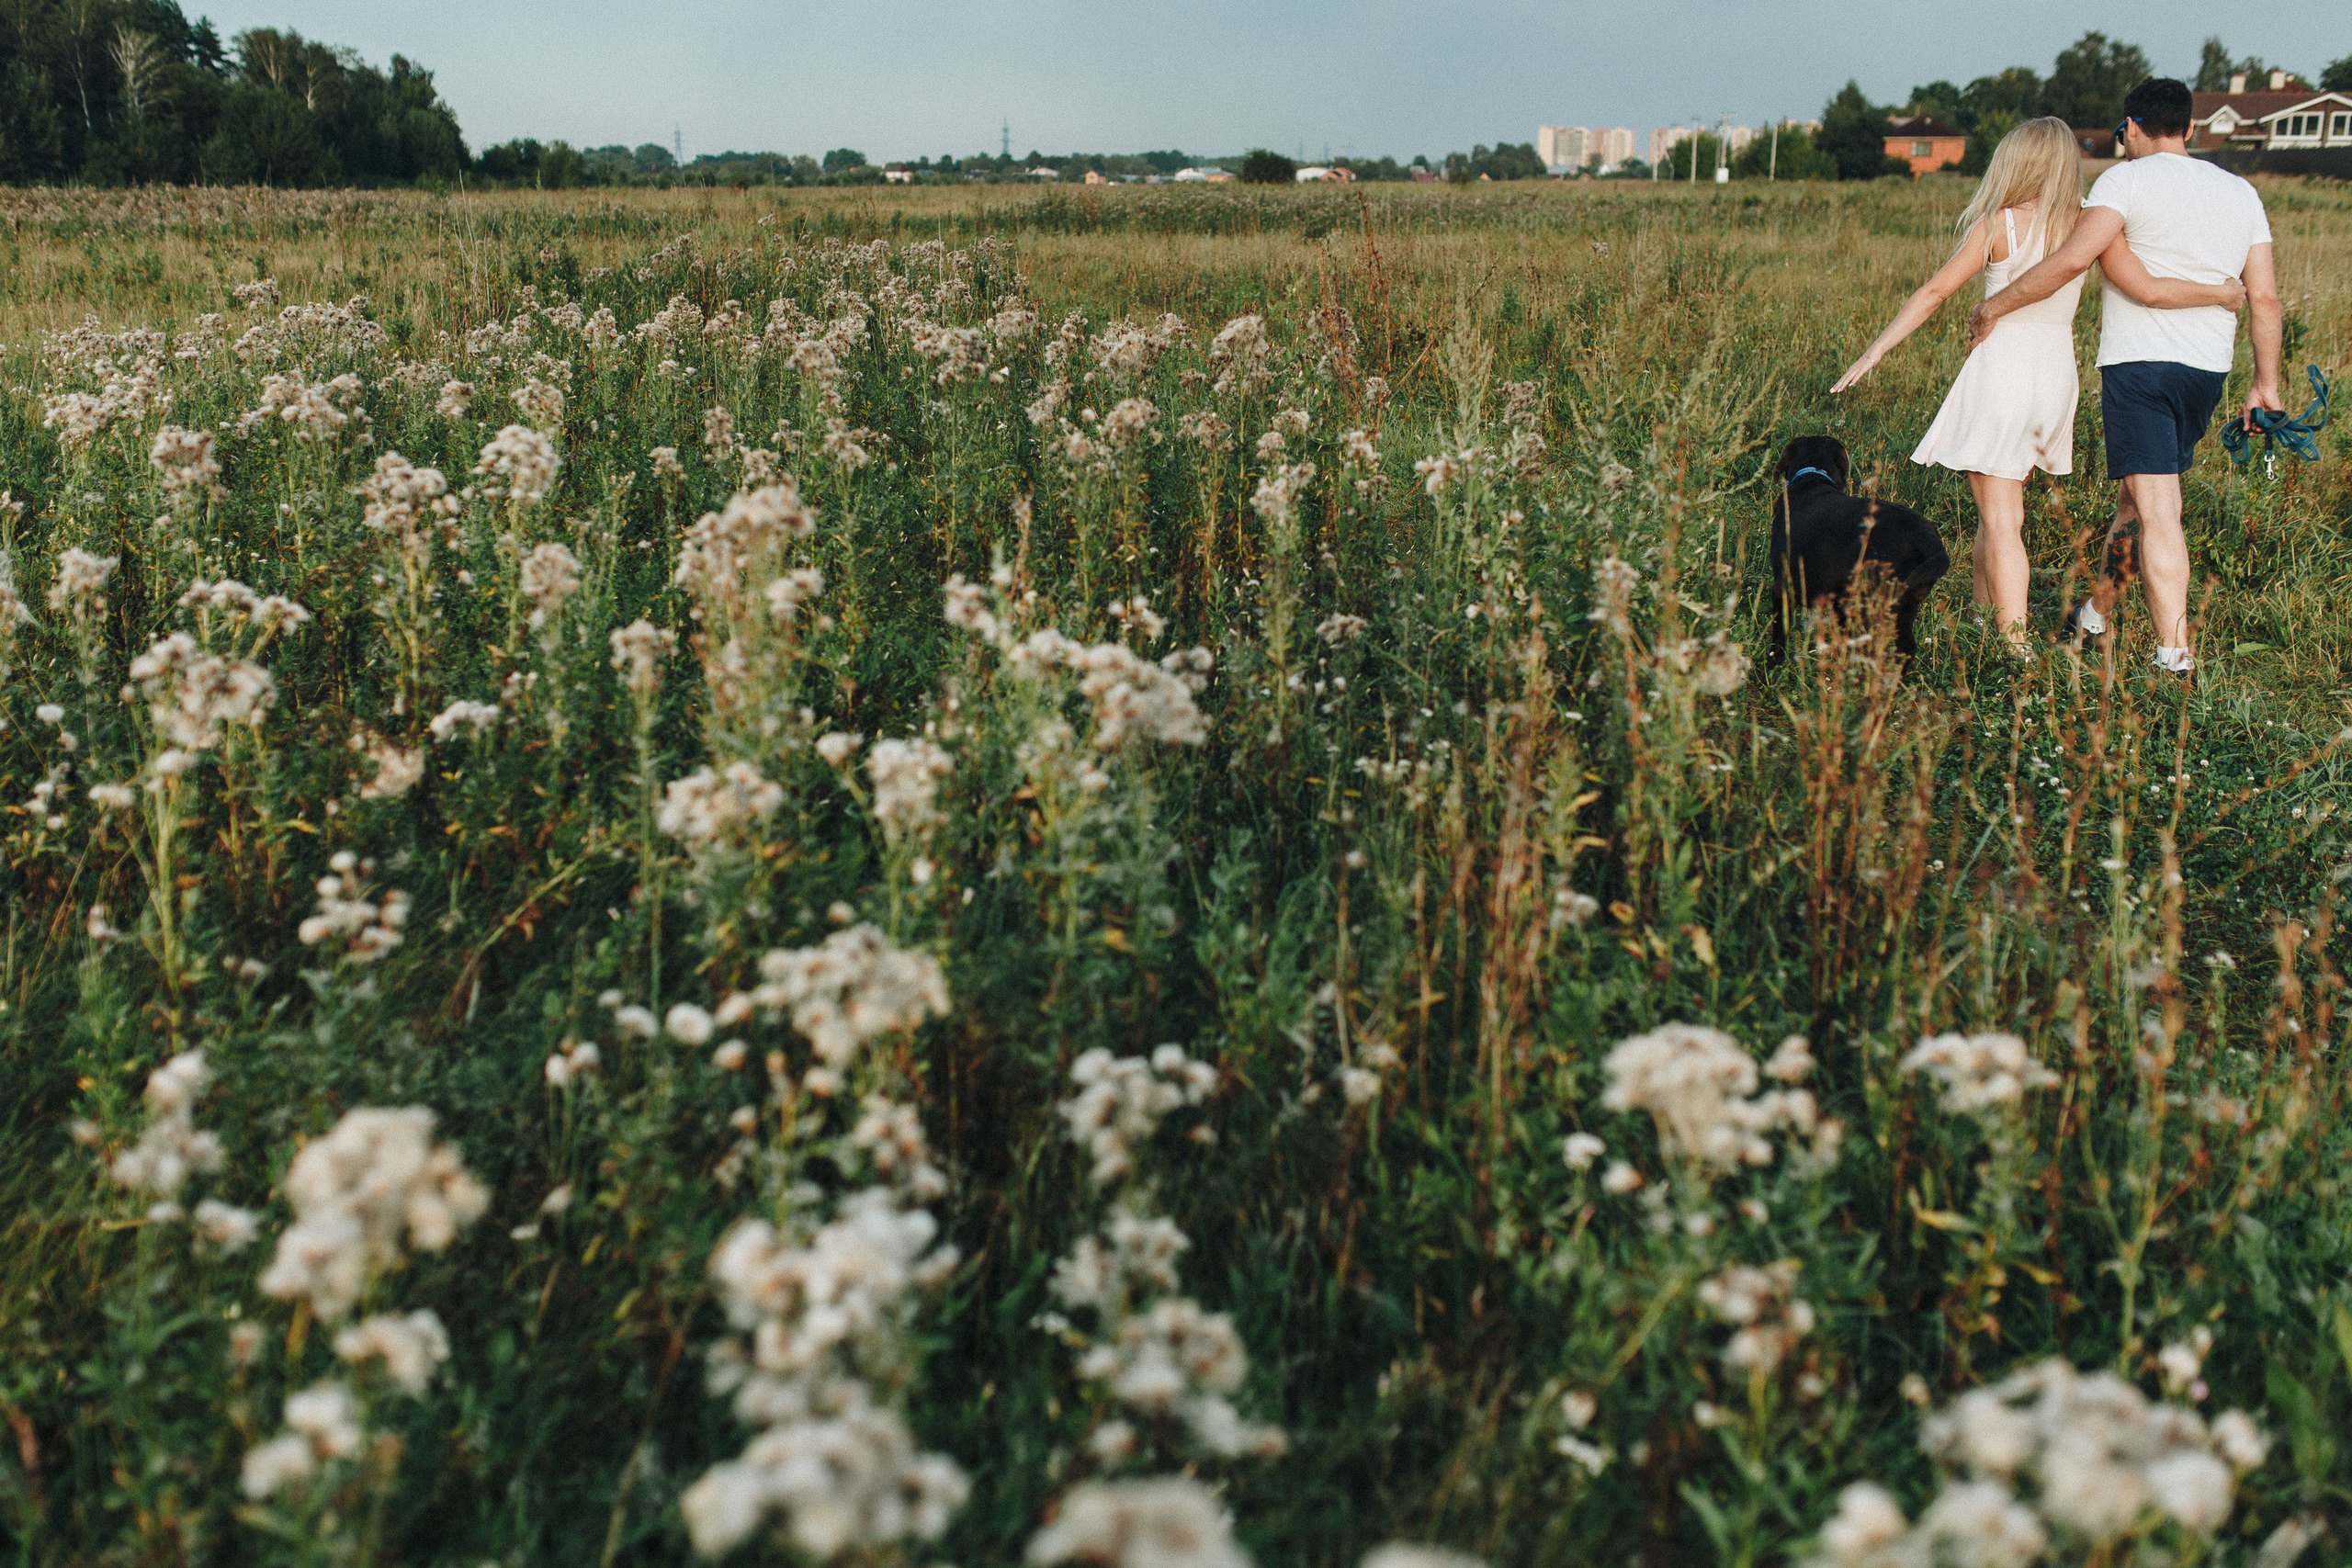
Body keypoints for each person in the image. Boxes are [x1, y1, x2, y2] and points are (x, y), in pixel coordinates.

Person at [1830, 117, 2240, 652]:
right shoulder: (2090, 227)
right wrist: (2220, 292)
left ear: (2014, 163)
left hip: (2002, 371)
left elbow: (1934, 293)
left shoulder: (2000, 224)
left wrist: (1874, 350)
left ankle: (2015, 646)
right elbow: (2148, 288)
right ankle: (1983, 617)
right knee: (1998, 507)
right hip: (2054, 378)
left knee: (2002, 520)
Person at [1968, 77, 2281, 679]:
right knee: (2135, 501)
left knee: (2160, 508)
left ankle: (2173, 658)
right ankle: (2094, 615)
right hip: (2207, 371)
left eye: (2122, 133)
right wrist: (2264, 382)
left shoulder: (2122, 181)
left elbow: (2070, 260)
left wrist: (1993, 306)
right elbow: (2263, 298)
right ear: (2190, 128)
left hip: (2140, 369)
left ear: (2132, 126)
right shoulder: (2241, 192)